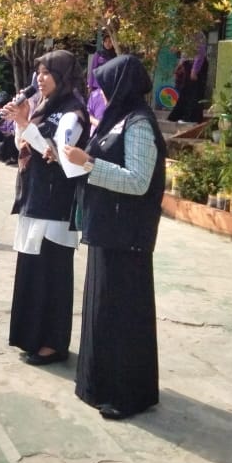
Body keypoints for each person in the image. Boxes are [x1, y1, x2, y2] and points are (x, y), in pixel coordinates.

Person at [63, 54, 166, 420]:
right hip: (108, 228)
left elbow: (139, 180)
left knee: (122, 313)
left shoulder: (138, 124)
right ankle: (98, 384)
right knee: (102, 309)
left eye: (105, 87)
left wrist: (88, 165)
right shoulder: (117, 121)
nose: (100, 95)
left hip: (127, 234)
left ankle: (126, 393)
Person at [4, 50, 90, 366]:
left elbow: (58, 154)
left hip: (55, 203)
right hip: (33, 196)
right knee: (32, 271)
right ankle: (31, 337)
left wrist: (26, 123)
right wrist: (20, 121)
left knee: (52, 274)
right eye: (38, 73)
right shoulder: (42, 106)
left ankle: (53, 343)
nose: (40, 78)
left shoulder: (72, 112)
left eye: (47, 73)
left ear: (63, 76)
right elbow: (23, 146)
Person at [167, 32, 208, 123]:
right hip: (188, 64)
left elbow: (200, 53)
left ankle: (191, 118)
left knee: (194, 92)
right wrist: (181, 64)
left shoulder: (198, 35)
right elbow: (185, 53)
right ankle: (182, 116)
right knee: (185, 91)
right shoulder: (186, 34)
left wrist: (195, 70)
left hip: (196, 66)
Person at [87, 33, 117, 131]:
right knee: (93, 106)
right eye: (106, 42)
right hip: (97, 85)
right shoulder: (98, 54)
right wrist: (90, 85)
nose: (108, 44)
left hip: (109, 86)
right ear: (103, 43)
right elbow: (93, 69)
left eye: (110, 42)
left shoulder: (115, 55)